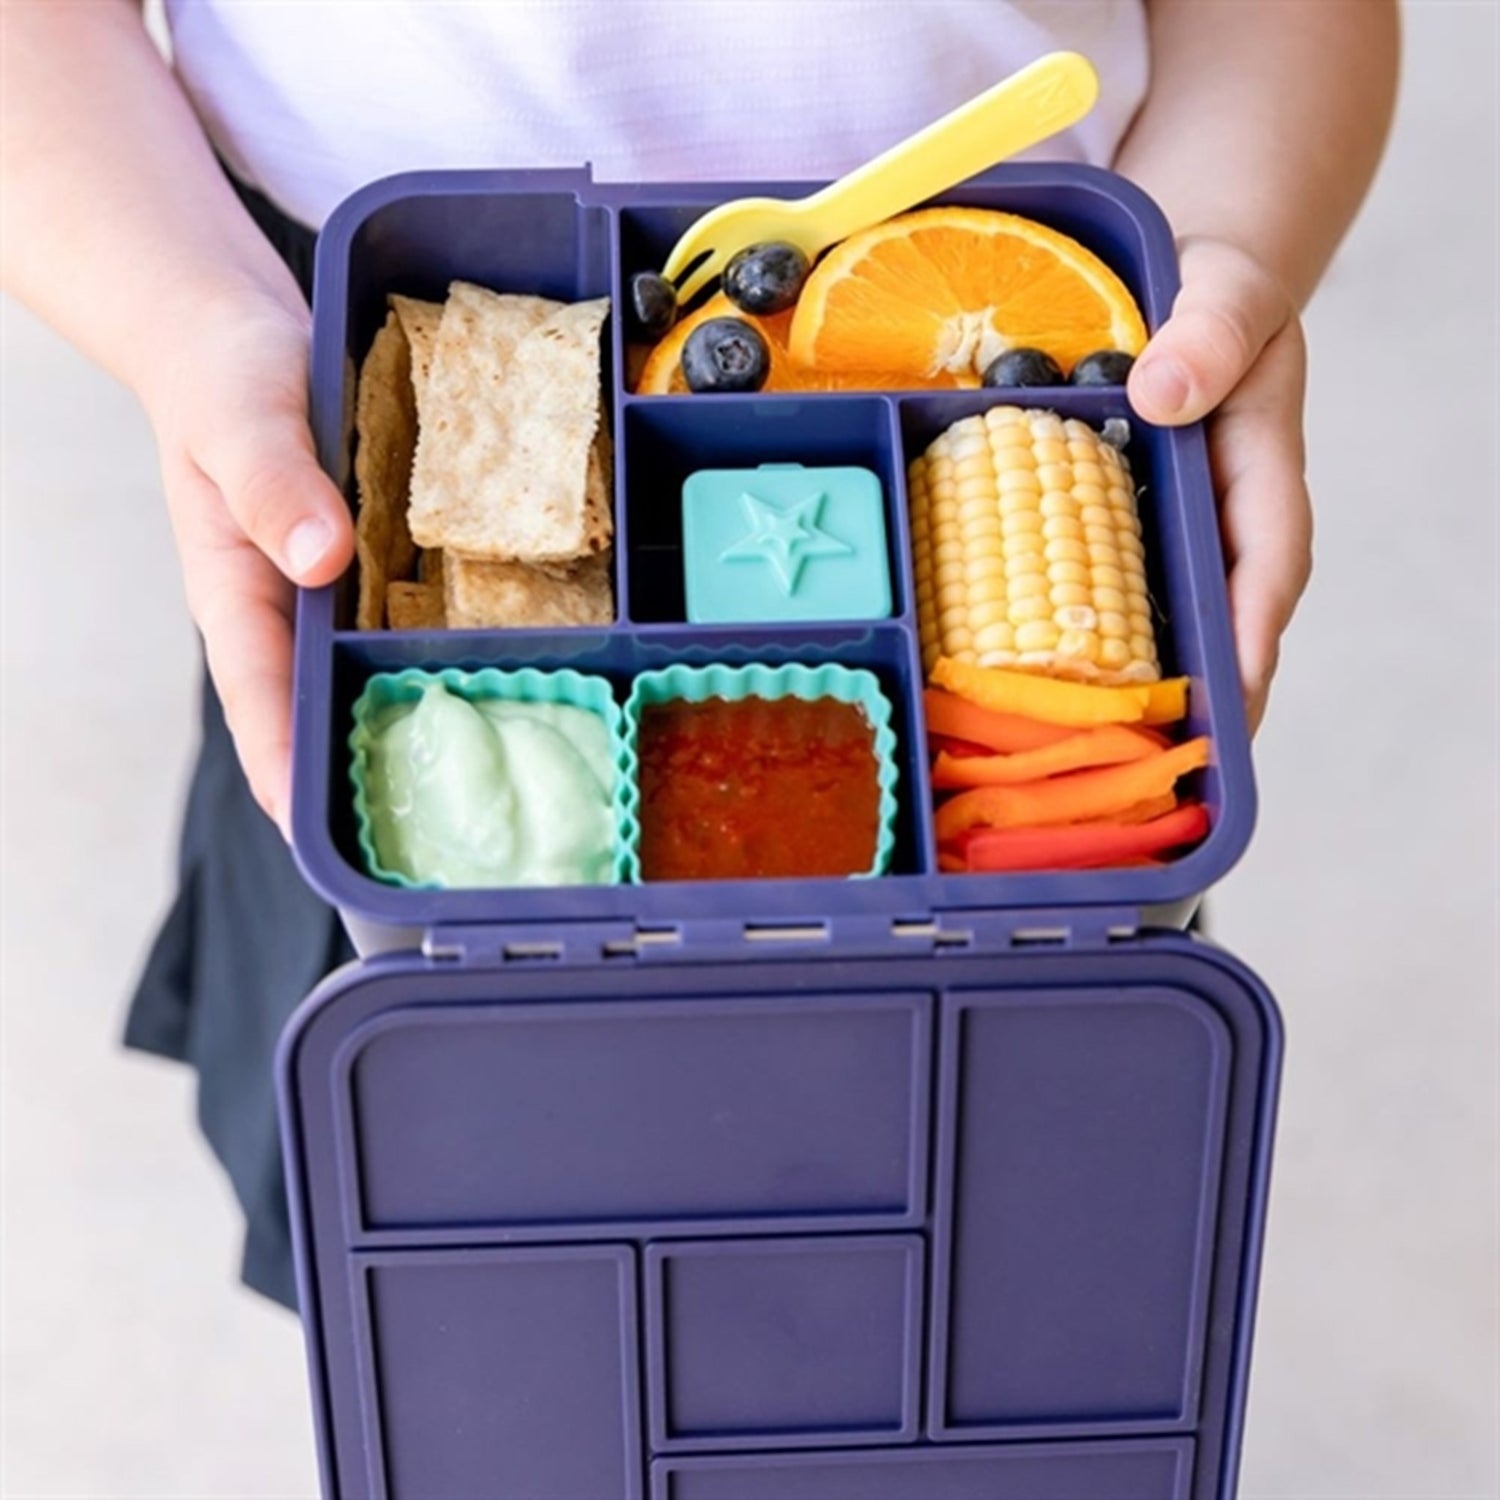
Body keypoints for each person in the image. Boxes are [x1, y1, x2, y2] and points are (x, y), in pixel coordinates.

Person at [2, 0, 1399, 1310]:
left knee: (975, 1257)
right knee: (447, 1277)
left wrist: (1227, 250)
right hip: (322, 282)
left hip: (1005, 304)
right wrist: (195, 324)